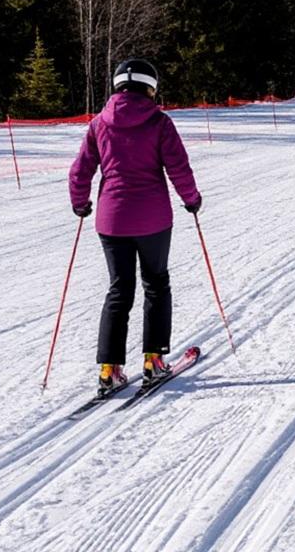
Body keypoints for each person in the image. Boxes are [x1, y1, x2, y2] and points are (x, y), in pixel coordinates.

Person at [69, 59, 201, 396]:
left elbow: (80, 170)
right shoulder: (159, 122)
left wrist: (80, 203)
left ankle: (109, 369)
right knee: (156, 283)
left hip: (111, 221)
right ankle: (153, 360)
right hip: (153, 219)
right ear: (150, 87)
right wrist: (191, 198)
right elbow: (178, 166)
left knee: (119, 289)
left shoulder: (99, 123)